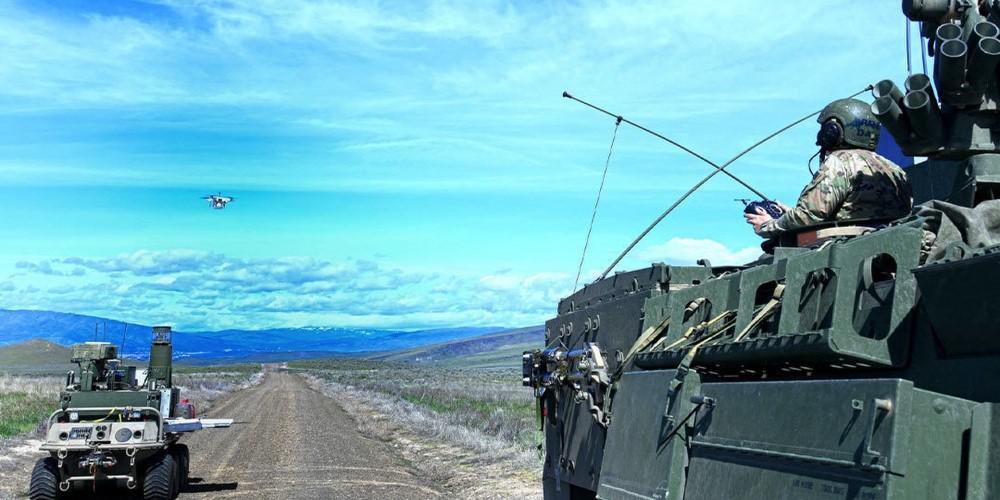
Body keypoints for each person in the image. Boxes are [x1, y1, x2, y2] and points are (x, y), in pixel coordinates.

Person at [745, 98, 913, 238]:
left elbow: (808, 216)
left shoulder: (838, 162)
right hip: (889, 242)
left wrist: (767, 225)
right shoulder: (894, 168)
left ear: (832, 132)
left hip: (847, 250)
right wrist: (792, 213)